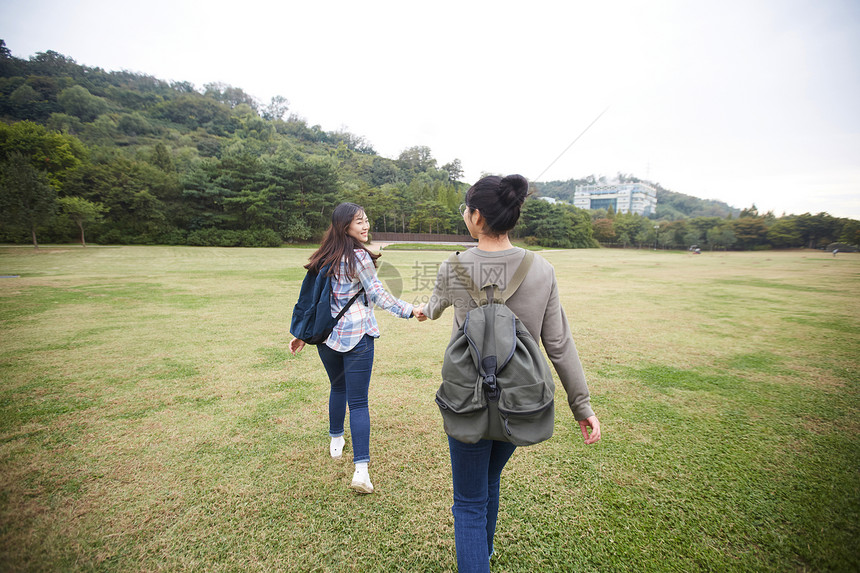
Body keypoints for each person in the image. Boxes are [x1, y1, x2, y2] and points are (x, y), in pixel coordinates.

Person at [415, 175, 601, 572]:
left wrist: (421, 310)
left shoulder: (454, 266)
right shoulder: (542, 269)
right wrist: (581, 405)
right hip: (521, 401)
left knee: (468, 502)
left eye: (467, 210)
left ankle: (477, 558)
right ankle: (484, 554)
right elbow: (559, 344)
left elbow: (432, 308)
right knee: (490, 479)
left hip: (467, 399)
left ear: (477, 216)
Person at [290, 202, 425, 494]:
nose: (365, 226)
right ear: (345, 227)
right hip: (357, 335)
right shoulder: (359, 257)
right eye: (359, 222)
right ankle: (361, 471)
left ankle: (336, 441)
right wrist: (410, 309)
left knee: (338, 389)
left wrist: (301, 334)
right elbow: (377, 293)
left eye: (366, 221)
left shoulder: (324, 255)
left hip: (326, 338)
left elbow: (312, 300)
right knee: (359, 402)